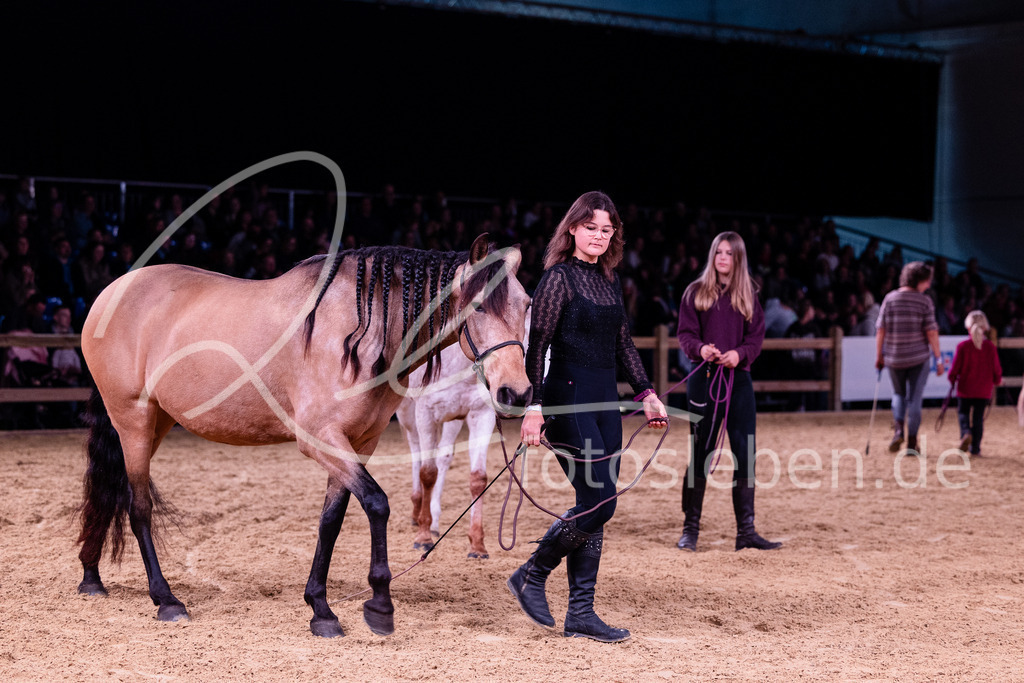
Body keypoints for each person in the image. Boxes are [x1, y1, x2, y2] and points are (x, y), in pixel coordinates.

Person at [508, 191, 667, 643]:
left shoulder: (609, 281)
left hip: (605, 403)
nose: (598, 235)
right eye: (591, 227)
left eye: (606, 229)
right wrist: (534, 408)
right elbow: (535, 349)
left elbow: (624, 346)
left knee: (592, 502)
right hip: (565, 399)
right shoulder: (558, 280)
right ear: (573, 229)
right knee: (602, 501)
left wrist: (647, 393)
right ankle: (532, 574)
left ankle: (580, 613)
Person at [675, 231, 781, 554]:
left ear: (738, 258)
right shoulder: (695, 292)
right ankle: (690, 529)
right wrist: (701, 348)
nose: (722, 258)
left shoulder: (749, 295)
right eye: (718, 252)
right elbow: (685, 334)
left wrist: (740, 354)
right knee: (701, 454)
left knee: (745, 454)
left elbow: (755, 338)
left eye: (728, 253)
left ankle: (746, 531)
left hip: (739, 382)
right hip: (704, 379)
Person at [875, 261, 945, 455]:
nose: (929, 285)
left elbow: (880, 330)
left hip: (894, 357)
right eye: (927, 280)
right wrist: (938, 359)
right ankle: (912, 442)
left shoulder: (889, 299)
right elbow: (931, 332)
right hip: (918, 357)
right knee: (914, 399)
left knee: (898, 395)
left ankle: (898, 430)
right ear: (919, 280)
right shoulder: (924, 301)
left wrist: (879, 355)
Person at [948, 311, 1002, 456]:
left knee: (963, 413)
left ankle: (965, 432)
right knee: (978, 418)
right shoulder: (990, 347)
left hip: (965, 388)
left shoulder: (963, 346)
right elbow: (996, 368)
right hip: (983, 390)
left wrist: (952, 378)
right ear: (985, 327)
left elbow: (955, 369)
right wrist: (997, 380)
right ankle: (976, 448)